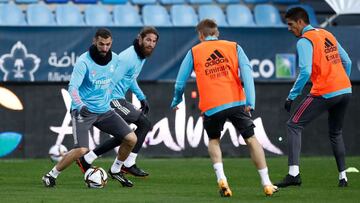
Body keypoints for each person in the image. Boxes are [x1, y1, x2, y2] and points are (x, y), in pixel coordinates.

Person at [170, 19, 278, 197]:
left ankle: (222, 179)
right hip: (236, 102)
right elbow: (247, 74)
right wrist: (250, 101)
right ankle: (266, 183)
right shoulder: (234, 47)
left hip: (211, 106)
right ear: (217, 32)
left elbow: (180, 83)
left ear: (200, 35)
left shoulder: (194, 51)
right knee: (251, 139)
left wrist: (176, 100)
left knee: (214, 140)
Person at [42, 28, 137, 187]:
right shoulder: (83, 61)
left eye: (108, 44)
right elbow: (72, 87)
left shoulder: (115, 59)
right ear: (94, 41)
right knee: (81, 150)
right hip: (83, 111)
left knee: (131, 139)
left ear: (111, 43)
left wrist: (140, 96)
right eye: (101, 44)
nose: (105, 48)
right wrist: (80, 105)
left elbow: (128, 78)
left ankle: (115, 169)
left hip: (104, 110)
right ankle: (51, 175)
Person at [275, 7, 352, 188]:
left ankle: (294, 174)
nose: (289, 28)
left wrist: (291, 96)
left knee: (293, 125)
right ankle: (343, 177)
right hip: (345, 90)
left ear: (301, 22)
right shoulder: (326, 34)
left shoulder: (304, 41)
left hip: (325, 91)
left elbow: (306, 70)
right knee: (336, 133)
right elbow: (346, 60)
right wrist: (342, 83)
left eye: (291, 24)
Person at [76, 27, 159, 178]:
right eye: (148, 40)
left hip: (117, 98)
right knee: (144, 123)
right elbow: (111, 80)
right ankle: (127, 164)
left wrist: (141, 97)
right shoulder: (129, 57)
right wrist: (105, 102)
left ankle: (88, 159)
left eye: (154, 41)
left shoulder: (140, 56)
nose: (151, 44)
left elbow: (130, 78)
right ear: (140, 39)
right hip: (113, 99)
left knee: (126, 135)